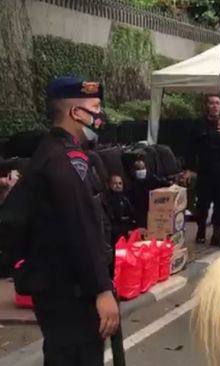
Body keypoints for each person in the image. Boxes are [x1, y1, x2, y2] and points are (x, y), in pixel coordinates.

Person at [11, 77, 119, 365]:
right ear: (76, 113)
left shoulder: (52, 151)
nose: (100, 115)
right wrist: (102, 289)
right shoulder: (66, 160)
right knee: (77, 356)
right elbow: (81, 227)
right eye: (95, 107)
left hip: (57, 287)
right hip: (70, 292)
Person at [184, 95, 220, 248]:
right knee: (202, 204)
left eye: (217, 103)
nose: (215, 106)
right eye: (211, 103)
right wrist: (189, 169)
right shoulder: (198, 124)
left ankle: (217, 235)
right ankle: (201, 230)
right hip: (205, 171)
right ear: (206, 106)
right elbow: (190, 148)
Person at [129, 159, 170, 228]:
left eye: (142, 168)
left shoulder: (152, 178)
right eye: (138, 168)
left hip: (151, 208)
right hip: (139, 211)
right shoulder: (131, 182)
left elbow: (163, 183)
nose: (141, 171)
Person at [107, 175, 136, 245]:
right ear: (110, 185)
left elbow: (132, 214)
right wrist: (126, 231)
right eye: (115, 184)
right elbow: (112, 223)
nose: (118, 186)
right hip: (119, 236)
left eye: (120, 183)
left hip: (129, 232)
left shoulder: (125, 198)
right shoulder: (109, 201)